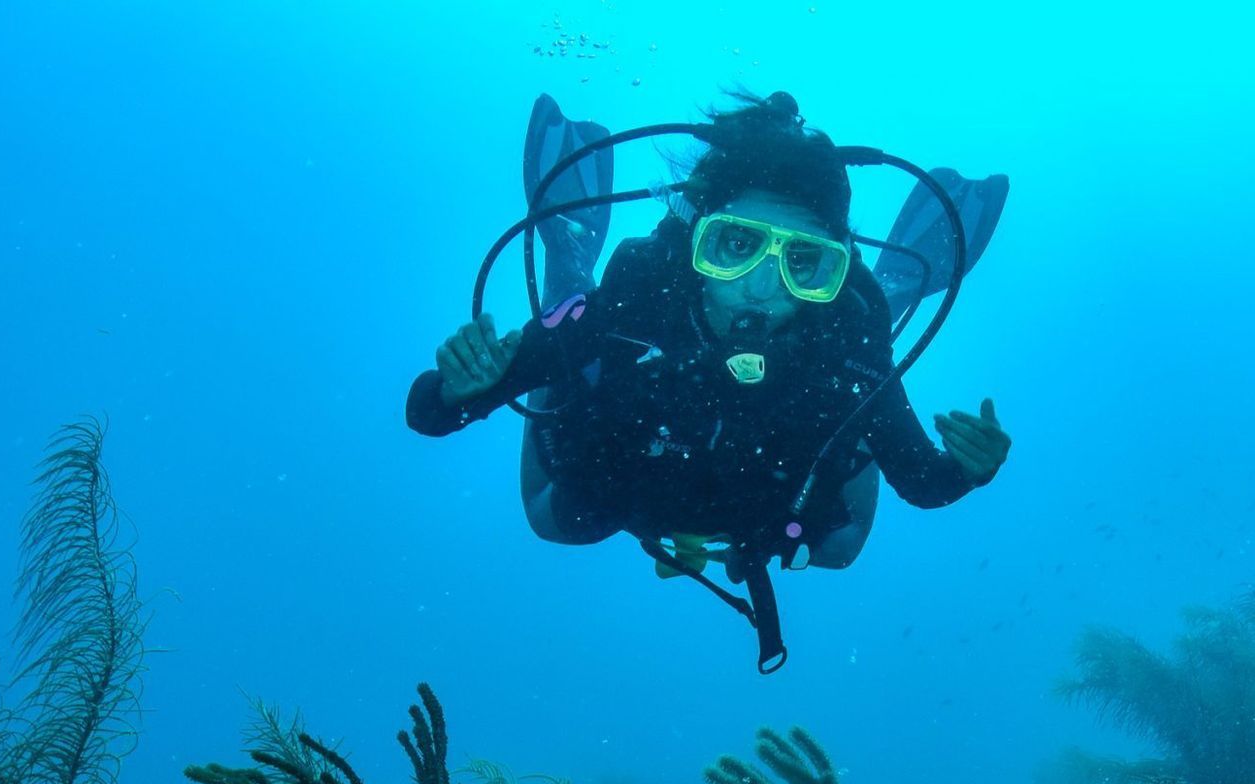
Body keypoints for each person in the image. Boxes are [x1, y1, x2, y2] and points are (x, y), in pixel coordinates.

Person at [406, 92, 1009, 591]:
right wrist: (464, 387)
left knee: (841, 546)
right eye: (737, 246)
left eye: (804, 261)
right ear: (695, 240)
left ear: (834, 264)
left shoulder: (845, 335)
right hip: (628, 483)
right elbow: (428, 415)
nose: (762, 288)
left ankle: (892, 287)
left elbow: (925, 483)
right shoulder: (638, 298)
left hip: (763, 512)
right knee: (555, 519)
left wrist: (968, 468)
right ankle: (570, 261)